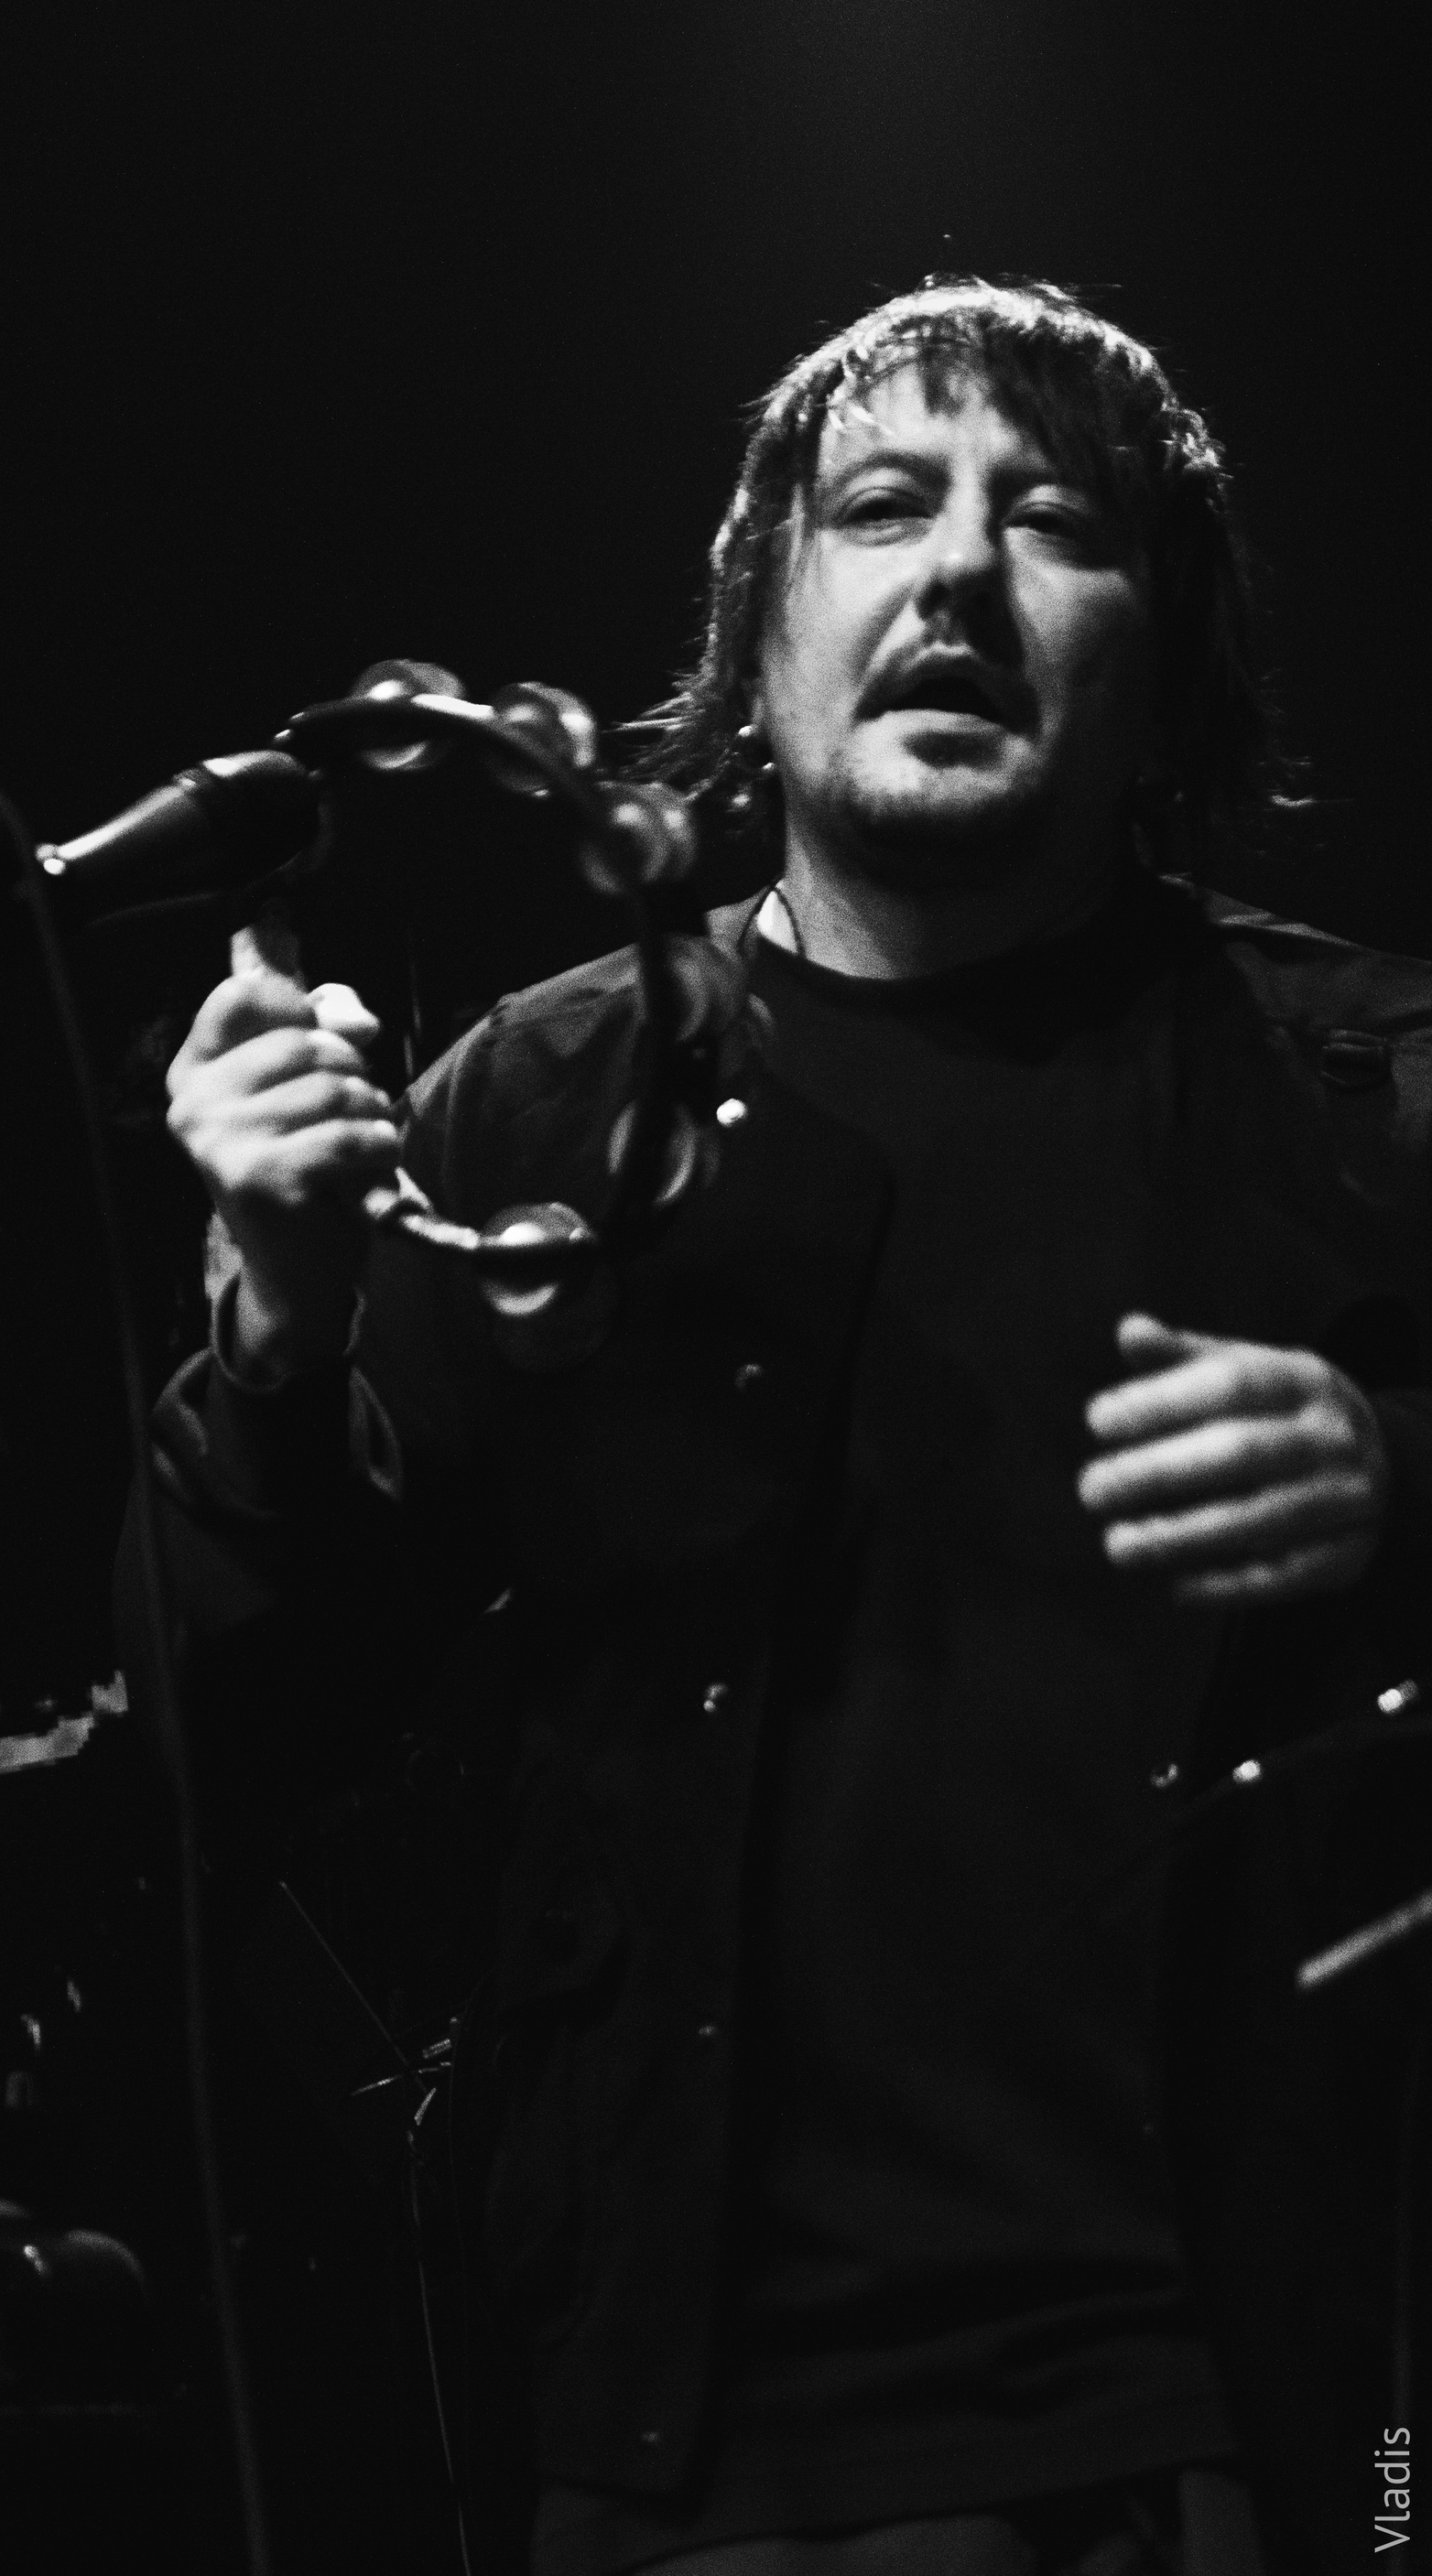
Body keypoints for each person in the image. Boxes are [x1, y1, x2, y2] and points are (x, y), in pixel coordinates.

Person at [138, 280, 1432, 2574]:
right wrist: (277, 1333)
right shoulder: (540, 1106)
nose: (962, 574)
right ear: (763, 622)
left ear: (1170, 661)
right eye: (886, 506)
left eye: (1058, 524)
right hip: (682, 2457)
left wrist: (1403, 1479)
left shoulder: (1375, 1093)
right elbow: (223, 1754)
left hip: (1272, 2424)